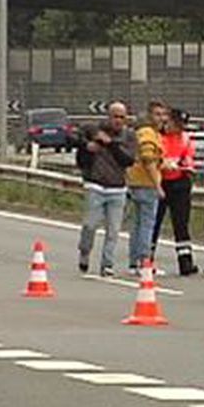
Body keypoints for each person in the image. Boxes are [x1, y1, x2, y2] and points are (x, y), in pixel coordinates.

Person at [75, 102, 136, 277]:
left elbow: (128, 160)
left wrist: (110, 144)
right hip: (96, 185)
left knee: (113, 230)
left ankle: (107, 263)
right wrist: (87, 145)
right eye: (115, 116)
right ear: (108, 117)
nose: (118, 121)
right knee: (90, 225)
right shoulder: (95, 130)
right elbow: (73, 137)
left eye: (122, 117)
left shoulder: (129, 137)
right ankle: (84, 252)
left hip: (118, 188)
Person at [151, 108, 199, 276]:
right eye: (176, 124)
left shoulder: (185, 138)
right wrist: (163, 164)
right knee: (154, 223)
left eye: (181, 125)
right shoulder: (158, 137)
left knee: (181, 223)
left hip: (180, 183)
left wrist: (188, 166)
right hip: (160, 182)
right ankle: (147, 259)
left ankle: (185, 262)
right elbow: (153, 158)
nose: (178, 128)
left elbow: (188, 157)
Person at [126, 100, 169, 275]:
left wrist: (166, 164)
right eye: (158, 114)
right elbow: (148, 160)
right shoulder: (148, 134)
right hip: (146, 184)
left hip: (136, 182)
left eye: (163, 114)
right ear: (150, 115)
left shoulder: (151, 133)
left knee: (137, 225)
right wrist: (158, 186)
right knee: (146, 225)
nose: (162, 118)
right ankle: (144, 261)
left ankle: (134, 262)